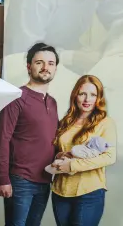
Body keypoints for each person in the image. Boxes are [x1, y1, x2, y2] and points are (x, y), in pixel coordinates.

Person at [0, 43, 60, 226]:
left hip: (45, 180)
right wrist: (3, 178)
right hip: (20, 180)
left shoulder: (53, 103)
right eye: (39, 62)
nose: (46, 67)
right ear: (29, 66)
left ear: (55, 68)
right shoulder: (17, 97)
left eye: (51, 63)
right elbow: (3, 139)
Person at [49, 75, 116, 226]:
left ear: (99, 98)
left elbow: (109, 157)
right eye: (82, 94)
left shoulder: (105, 123)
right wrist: (60, 155)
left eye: (93, 95)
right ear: (75, 96)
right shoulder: (65, 122)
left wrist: (73, 166)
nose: (87, 99)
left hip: (89, 193)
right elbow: (56, 152)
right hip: (60, 192)